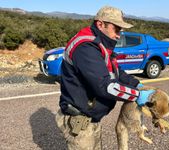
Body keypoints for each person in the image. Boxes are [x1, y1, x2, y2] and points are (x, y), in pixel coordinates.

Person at [56, 6, 155, 150]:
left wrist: (137, 84)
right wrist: (138, 95)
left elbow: (117, 72)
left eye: (121, 30)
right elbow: (105, 86)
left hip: (91, 118)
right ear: (100, 24)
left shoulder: (100, 45)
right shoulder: (86, 47)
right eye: (116, 29)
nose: (119, 35)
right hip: (80, 120)